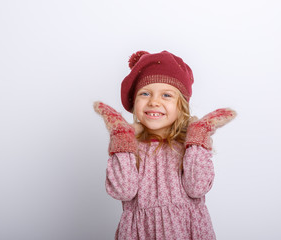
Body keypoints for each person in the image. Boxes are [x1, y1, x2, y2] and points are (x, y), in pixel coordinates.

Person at [94, 50, 236, 240]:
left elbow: (197, 188)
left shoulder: (189, 146)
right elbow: (124, 191)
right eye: (145, 93)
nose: (154, 102)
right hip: (141, 232)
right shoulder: (129, 147)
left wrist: (198, 136)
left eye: (166, 96)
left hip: (186, 231)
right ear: (134, 102)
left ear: (182, 106)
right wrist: (122, 136)